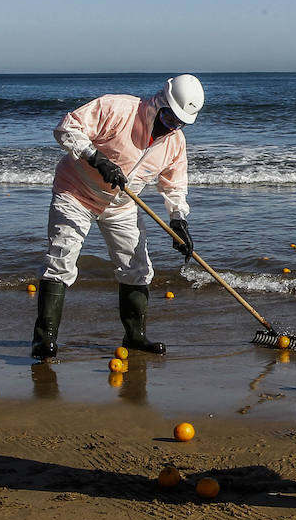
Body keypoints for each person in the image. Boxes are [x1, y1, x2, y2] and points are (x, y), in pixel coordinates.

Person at [30, 74, 205, 361]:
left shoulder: (175, 143)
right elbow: (66, 128)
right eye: (170, 118)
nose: (172, 126)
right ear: (160, 103)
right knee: (61, 259)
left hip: (122, 206)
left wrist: (178, 221)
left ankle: (135, 337)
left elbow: (174, 186)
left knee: (137, 268)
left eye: (180, 122)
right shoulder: (117, 109)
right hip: (76, 192)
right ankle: (44, 341)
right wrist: (96, 158)